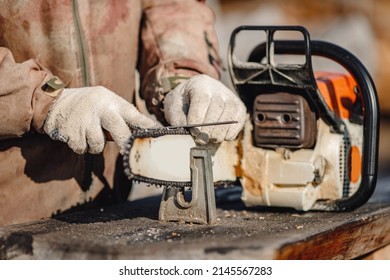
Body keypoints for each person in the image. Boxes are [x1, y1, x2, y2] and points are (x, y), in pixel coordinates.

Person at [0, 0, 246, 226]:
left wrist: (181, 78)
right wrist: (45, 99)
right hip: (10, 210)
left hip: (110, 201)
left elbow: (172, 9)